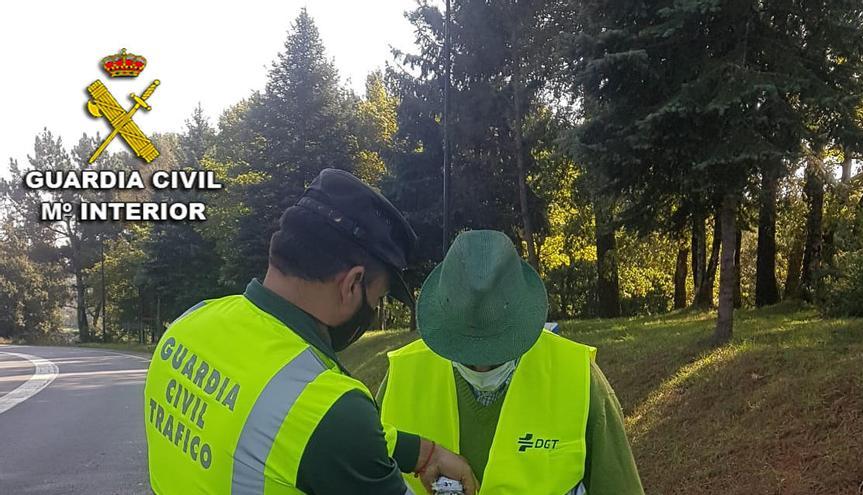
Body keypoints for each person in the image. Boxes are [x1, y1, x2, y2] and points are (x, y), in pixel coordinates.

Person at [144, 169, 477, 494]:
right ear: (352, 284)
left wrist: (422, 452)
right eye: (376, 299)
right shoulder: (329, 406)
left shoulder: (190, 323)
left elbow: (286, 431)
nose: (373, 312)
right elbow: (326, 429)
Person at [378, 230, 644, 495]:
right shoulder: (402, 376)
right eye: (467, 352)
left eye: (495, 352)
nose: (481, 367)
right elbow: (354, 461)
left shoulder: (578, 378)